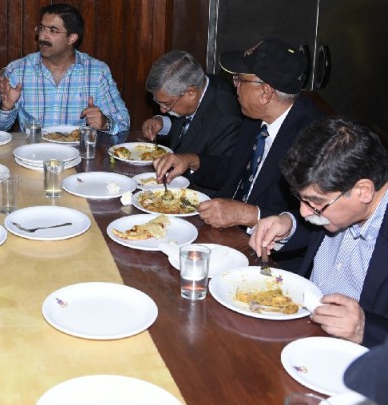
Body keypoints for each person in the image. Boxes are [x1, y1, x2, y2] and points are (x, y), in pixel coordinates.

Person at [153, 38, 323, 238]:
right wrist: (191, 161)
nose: (234, 87)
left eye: (239, 80)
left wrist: (248, 215)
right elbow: (233, 169)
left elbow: (318, 222)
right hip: (224, 227)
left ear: (265, 93)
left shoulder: (315, 140)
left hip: (266, 246)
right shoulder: (255, 118)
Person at [249, 117, 388, 348]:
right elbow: (318, 223)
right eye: (301, 199)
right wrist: (288, 222)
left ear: (363, 191)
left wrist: (365, 329)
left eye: (315, 202)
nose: (305, 212)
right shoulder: (340, 201)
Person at [0, 3, 130, 135]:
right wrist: (6, 108)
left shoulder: (96, 72)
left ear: (71, 38)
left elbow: (123, 121)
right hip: (32, 151)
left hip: (78, 152)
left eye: (53, 30)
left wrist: (104, 123)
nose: (42, 36)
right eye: (41, 28)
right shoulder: (18, 70)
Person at [141, 51, 245, 191]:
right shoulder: (197, 84)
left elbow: (224, 173)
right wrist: (162, 123)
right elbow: (187, 128)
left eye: (167, 104)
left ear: (191, 93)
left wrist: (191, 161)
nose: (163, 110)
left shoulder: (226, 117)